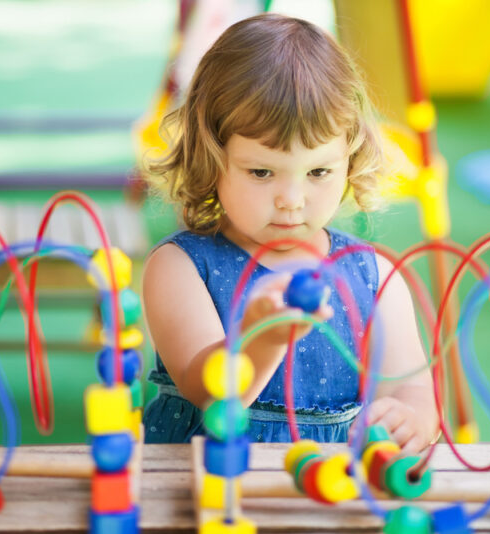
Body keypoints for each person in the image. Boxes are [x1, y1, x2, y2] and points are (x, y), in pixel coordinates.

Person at [141, 13, 438, 451]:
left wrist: (411, 417)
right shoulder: (181, 267)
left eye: (318, 171)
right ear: (211, 157)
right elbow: (209, 392)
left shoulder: (375, 277)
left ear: (350, 158)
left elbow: (412, 391)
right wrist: (262, 339)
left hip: (330, 495)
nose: (292, 199)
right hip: (208, 492)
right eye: (262, 172)